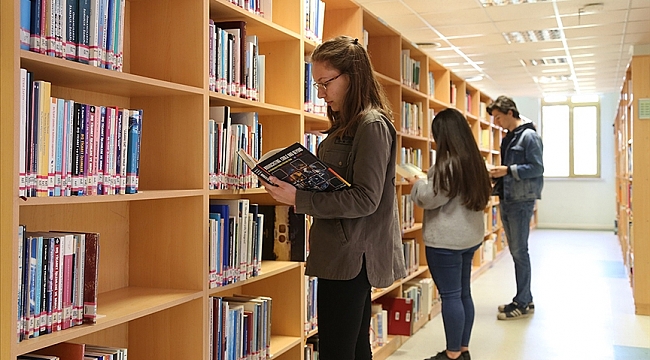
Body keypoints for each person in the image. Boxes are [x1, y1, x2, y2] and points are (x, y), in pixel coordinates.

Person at [262, 35, 407, 360]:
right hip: (338, 254)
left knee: (338, 351)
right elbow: (341, 186)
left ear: (352, 77)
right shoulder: (346, 125)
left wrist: (299, 199)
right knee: (353, 348)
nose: (321, 93)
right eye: (317, 85)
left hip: (352, 258)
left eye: (326, 83)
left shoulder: (371, 126)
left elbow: (366, 199)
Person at [407, 108, 492, 360]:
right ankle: (462, 349)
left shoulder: (447, 165)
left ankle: (452, 354)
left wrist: (417, 184)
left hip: (446, 241)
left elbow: (429, 198)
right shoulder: (475, 161)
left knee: (451, 296)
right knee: (464, 293)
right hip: (469, 238)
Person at [486, 95, 544, 320]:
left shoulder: (529, 136)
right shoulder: (509, 138)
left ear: (511, 113)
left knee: (520, 251)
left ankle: (522, 302)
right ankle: (524, 299)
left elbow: (537, 168)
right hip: (508, 197)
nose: (497, 123)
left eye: (499, 118)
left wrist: (508, 171)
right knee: (516, 251)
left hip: (521, 199)